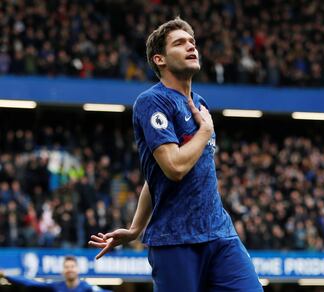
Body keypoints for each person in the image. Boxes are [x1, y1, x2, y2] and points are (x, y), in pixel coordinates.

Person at [88, 17, 263, 291]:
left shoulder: (200, 103)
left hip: (220, 234)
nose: (191, 47)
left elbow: (152, 178)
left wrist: (135, 228)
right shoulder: (152, 101)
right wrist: (204, 132)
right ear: (160, 59)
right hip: (175, 239)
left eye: (192, 42)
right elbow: (172, 167)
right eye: (180, 43)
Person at [0, 256, 109, 291]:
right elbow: (30, 283)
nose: (70, 269)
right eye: (67, 267)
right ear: (62, 271)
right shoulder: (56, 286)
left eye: (72, 267)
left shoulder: (87, 288)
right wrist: (6, 275)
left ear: (78, 270)